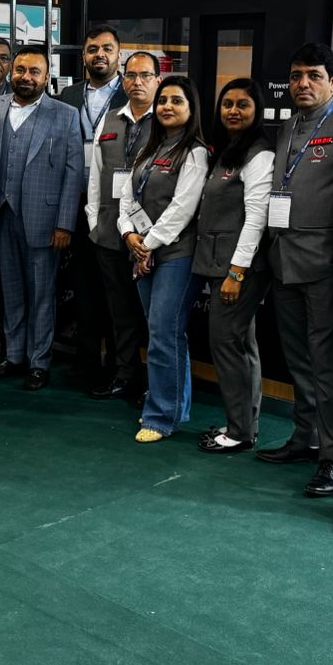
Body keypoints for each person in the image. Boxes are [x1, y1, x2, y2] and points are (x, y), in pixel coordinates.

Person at [259, 42, 333, 502]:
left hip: (327, 265)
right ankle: (304, 437)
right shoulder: (288, 126)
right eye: (296, 76)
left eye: (313, 75)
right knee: (298, 360)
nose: (303, 84)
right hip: (284, 260)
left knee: (327, 365)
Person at [0, 44, 84, 390]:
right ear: (12, 72)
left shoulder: (65, 114)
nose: (26, 77)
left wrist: (65, 223)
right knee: (10, 291)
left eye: (35, 71)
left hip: (45, 219)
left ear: (47, 76)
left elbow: (74, 172)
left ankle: (39, 361)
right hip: (0, 216)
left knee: (41, 294)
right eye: (21, 70)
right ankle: (14, 355)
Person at [119, 78, 209, 443]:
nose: (167, 106)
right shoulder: (149, 148)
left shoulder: (195, 153)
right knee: (163, 333)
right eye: (163, 101)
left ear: (191, 109)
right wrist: (129, 234)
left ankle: (160, 417)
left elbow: (182, 209)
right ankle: (174, 407)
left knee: (162, 332)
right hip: (143, 251)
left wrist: (147, 245)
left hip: (176, 255)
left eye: (177, 101)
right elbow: (127, 198)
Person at [193, 77, 274, 454]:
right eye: (228, 104)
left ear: (257, 110)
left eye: (243, 104)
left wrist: (237, 273)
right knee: (241, 343)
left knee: (226, 342)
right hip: (221, 264)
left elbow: (256, 217)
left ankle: (240, 431)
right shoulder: (226, 150)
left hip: (240, 270)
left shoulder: (259, 154)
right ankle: (244, 424)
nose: (234, 111)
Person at [84, 50, 160, 403]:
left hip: (150, 238)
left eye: (145, 76)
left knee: (152, 316)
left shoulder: (168, 119)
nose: (137, 82)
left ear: (158, 80)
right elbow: (96, 176)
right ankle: (124, 375)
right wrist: (93, 220)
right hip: (110, 234)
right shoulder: (110, 119)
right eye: (131, 75)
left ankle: (155, 384)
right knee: (120, 313)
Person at [58, 23, 129, 384]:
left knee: (116, 291)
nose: (99, 55)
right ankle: (85, 362)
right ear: (84, 56)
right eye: (92, 49)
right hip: (76, 202)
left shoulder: (132, 94)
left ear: (119, 55)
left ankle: (119, 367)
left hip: (117, 207)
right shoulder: (68, 95)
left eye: (106, 49)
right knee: (83, 286)